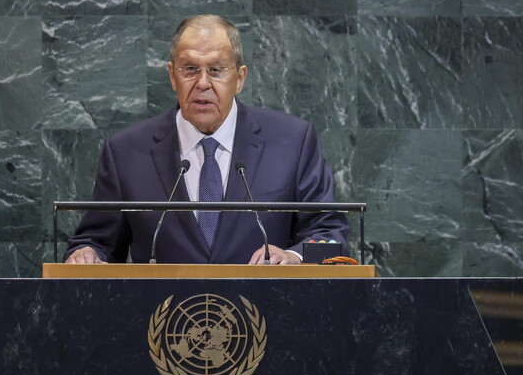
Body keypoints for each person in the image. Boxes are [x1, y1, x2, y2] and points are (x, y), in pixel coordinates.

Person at [64, 14, 349, 265]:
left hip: (268, 308)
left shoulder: (293, 141)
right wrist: (87, 254)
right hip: (163, 310)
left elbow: (331, 238)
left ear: (240, 78)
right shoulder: (126, 151)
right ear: (172, 76)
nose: (202, 83)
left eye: (216, 70)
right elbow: (97, 242)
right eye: (189, 69)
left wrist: (294, 257)